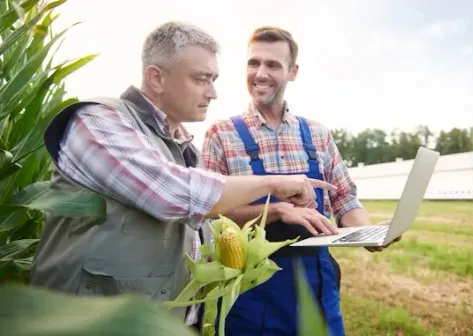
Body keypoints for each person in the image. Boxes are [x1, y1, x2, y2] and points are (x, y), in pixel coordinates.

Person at [30, 21, 336, 332]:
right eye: (202, 79)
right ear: (157, 77)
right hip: (94, 323)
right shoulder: (98, 122)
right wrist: (274, 184)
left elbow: (202, 231)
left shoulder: (185, 148)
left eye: (213, 79)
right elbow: (172, 194)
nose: (213, 92)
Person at [202, 26, 401, 335]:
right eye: (253, 63)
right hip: (251, 292)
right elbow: (211, 212)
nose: (260, 73)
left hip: (318, 286)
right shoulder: (222, 135)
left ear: (292, 72)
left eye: (273, 65)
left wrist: (368, 234)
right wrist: (277, 211)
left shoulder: (317, 135)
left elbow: (345, 199)